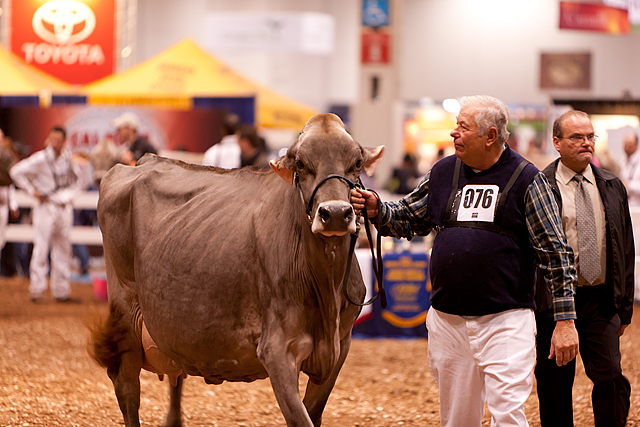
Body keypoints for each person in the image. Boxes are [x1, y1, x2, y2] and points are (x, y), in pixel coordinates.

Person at [350, 95, 579, 426]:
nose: (454, 133)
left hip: (506, 320)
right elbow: (409, 217)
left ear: (490, 136)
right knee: (457, 418)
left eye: (462, 127)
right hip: (448, 320)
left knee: (508, 413)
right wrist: (377, 209)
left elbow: (555, 252)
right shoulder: (443, 172)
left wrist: (565, 320)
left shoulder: (527, 179)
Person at [534, 110, 633, 427]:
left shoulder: (611, 185)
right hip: (553, 302)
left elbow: (625, 248)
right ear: (557, 142)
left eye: (590, 136)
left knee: (611, 378)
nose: (586, 143)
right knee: (554, 384)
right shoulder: (540, 186)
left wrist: (624, 307)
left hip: (601, 300)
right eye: (577, 137)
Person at [10, 126, 84, 303]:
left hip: (63, 207)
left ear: (64, 141)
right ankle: (37, 290)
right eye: (53, 139)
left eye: (59, 140)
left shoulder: (68, 158)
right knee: (41, 248)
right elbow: (16, 172)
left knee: (63, 249)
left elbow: (79, 180)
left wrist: (71, 195)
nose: (55, 143)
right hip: (46, 206)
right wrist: (31, 190)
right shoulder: (41, 158)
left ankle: (61, 291)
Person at [619, 131, 640, 207]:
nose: (627, 147)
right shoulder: (622, 161)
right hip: (626, 206)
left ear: (636, 145)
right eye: (626, 144)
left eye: (630, 144)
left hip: (637, 206)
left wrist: (629, 185)